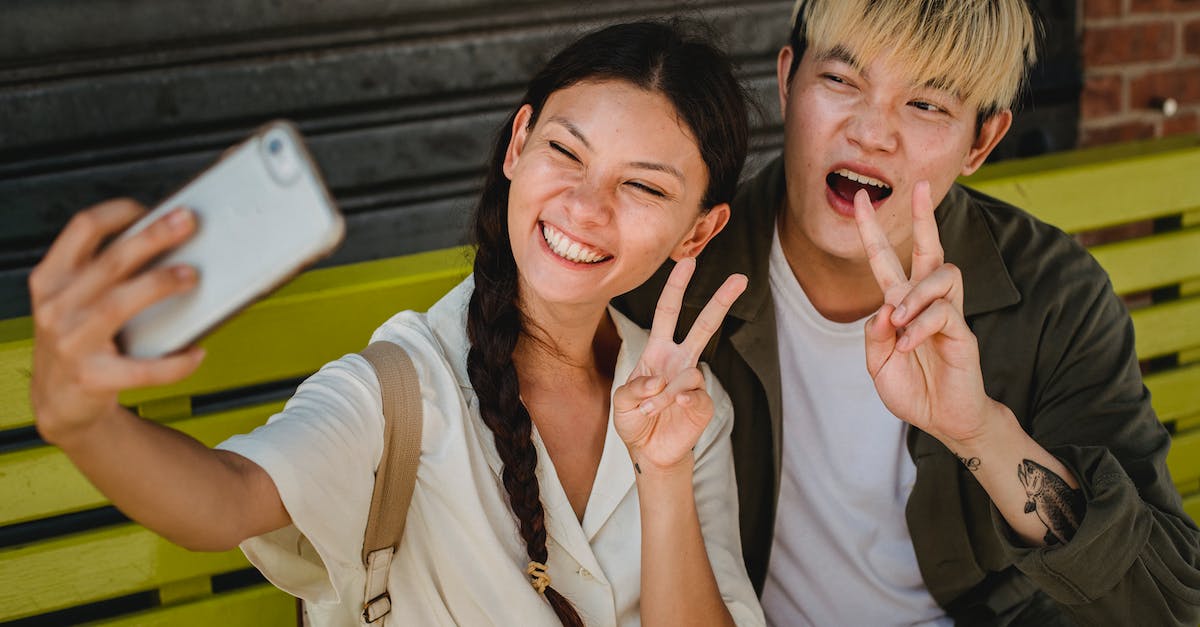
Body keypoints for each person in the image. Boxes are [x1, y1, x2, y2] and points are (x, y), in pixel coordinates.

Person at [29, 21, 766, 626]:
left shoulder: (687, 406)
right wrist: (84, 422)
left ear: (697, 233)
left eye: (642, 186)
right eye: (565, 151)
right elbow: (226, 499)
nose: (585, 205)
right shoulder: (400, 391)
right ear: (519, 144)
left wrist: (663, 472)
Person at [614, 1, 1200, 625]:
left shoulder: (1055, 295)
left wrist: (981, 433)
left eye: (926, 104)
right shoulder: (673, 275)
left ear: (982, 140)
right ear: (787, 81)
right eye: (840, 79)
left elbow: (1169, 607)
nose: (872, 133)